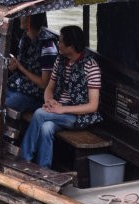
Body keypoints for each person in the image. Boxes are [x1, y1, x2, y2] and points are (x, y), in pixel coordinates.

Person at [19, 25, 102, 168]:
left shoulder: (91, 67)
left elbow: (93, 106)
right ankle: (43, 169)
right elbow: (49, 87)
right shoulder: (60, 60)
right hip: (57, 110)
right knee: (47, 128)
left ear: (72, 46)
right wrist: (49, 102)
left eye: (61, 42)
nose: (58, 44)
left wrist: (62, 109)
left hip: (79, 116)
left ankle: (24, 159)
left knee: (39, 113)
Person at [5, 13, 58, 114]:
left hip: (35, 96)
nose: (20, 18)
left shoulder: (48, 46)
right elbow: (21, 66)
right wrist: (14, 65)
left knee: (2, 105)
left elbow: (43, 84)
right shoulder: (25, 38)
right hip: (18, 86)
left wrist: (20, 67)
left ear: (28, 21)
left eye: (23, 16)